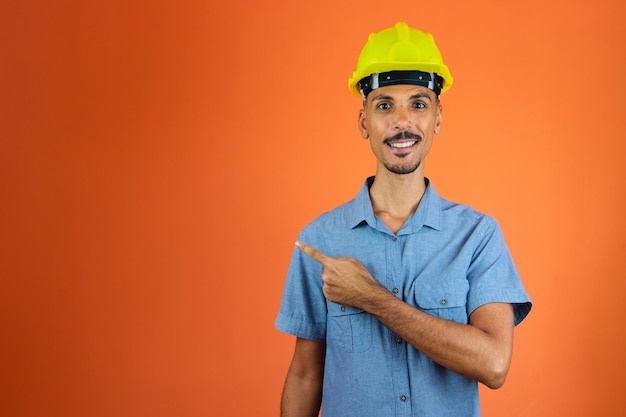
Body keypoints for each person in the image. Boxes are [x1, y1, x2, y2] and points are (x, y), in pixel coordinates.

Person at [275, 22, 532, 417]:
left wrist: (372, 299)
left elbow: (493, 364)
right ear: (364, 123)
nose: (401, 121)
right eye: (383, 105)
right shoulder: (320, 239)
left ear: (437, 119)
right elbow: (306, 375)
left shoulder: (477, 236)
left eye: (418, 103)